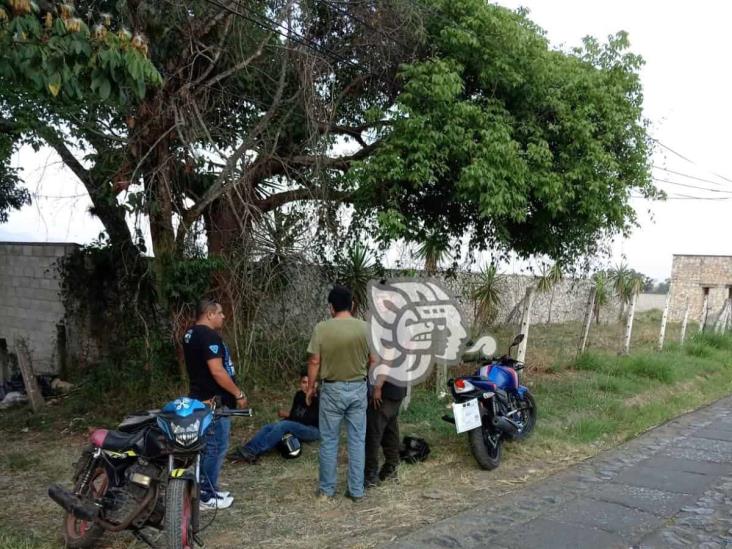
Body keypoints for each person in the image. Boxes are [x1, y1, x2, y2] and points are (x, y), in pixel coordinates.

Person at [306, 285, 373, 502]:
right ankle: (356, 490)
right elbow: (375, 360)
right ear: (352, 305)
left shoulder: (321, 329)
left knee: (329, 440)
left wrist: (310, 388)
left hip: (332, 389)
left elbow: (315, 361)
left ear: (331, 307)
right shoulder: (365, 328)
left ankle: (327, 489)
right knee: (356, 440)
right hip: (358, 388)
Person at [183, 298, 248, 510]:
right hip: (213, 401)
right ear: (209, 314)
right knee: (214, 447)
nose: (223, 316)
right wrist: (238, 393)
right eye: (219, 313)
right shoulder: (208, 335)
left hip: (200, 397)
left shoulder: (190, 334)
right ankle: (205, 496)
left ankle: (209, 488)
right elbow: (218, 371)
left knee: (211, 447)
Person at [236, 371, 319, 462]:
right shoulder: (299, 395)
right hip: (297, 425)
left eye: (310, 382)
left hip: (313, 429)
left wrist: (286, 417)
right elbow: (294, 415)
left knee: (284, 425)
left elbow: (310, 420)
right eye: (304, 382)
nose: (307, 385)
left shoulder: (319, 398)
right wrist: (283, 420)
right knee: (269, 427)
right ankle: (247, 449)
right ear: (300, 383)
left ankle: (255, 451)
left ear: (316, 383)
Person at [365, 376, 407, 488]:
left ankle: (370, 474)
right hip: (397, 388)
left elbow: (386, 363)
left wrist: (377, 387)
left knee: (373, 433)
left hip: (385, 390)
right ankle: (390, 468)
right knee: (390, 429)